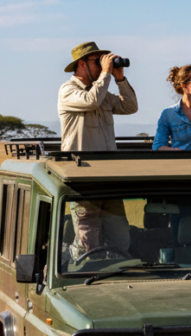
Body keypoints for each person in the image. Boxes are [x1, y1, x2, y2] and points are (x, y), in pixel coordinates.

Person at [57, 41, 137, 262]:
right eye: (98, 61)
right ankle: (70, 264)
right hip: (84, 181)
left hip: (109, 179)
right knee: (88, 245)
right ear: (82, 64)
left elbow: (130, 107)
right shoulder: (68, 90)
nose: (105, 66)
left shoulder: (102, 92)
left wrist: (120, 78)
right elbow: (91, 101)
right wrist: (106, 75)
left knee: (121, 240)